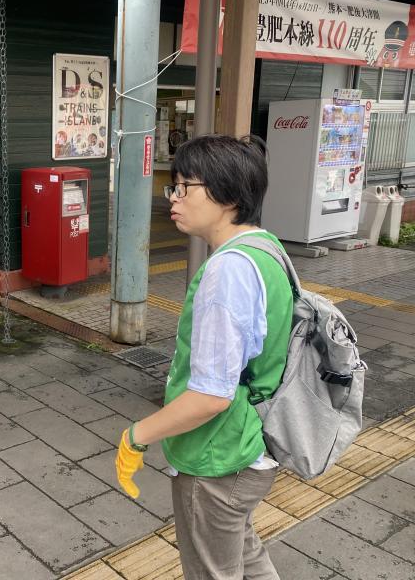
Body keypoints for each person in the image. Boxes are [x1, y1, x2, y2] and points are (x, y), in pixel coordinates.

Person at [116, 134, 292, 580]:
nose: (172, 198)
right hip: (250, 444)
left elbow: (211, 395)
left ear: (228, 195)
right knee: (244, 554)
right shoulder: (264, 247)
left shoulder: (227, 271)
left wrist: (136, 435)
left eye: (183, 187)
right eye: (172, 187)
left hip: (218, 458)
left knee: (212, 571)